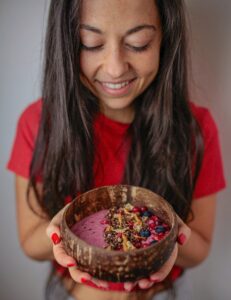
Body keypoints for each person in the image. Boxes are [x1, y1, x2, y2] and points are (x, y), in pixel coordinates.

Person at [7, 0, 226, 299]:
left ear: (165, 38)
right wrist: (69, 230)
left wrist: (168, 235)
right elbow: (31, 240)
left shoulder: (195, 130)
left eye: (139, 43)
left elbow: (199, 247)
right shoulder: (38, 123)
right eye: (91, 43)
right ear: (68, 41)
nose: (114, 67)